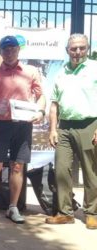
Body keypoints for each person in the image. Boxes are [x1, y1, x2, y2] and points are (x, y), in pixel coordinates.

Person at [0, 35, 45, 224]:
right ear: (0, 52)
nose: (9, 52)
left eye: (13, 49)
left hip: (23, 125)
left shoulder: (31, 71)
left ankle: (13, 208)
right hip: (1, 125)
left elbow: (41, 96)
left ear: (18, 50)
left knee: (17, 166)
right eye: (5, 49)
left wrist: (40, 111)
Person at [45, 34, 97, 230]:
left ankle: (92, 213)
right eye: (74, 48)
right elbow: (54, 104)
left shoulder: (94, 68)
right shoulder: (61, 72)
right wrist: (52, 129)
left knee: (91, 172)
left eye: (82, 48)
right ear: (67, 50)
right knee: (61, 170)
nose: (77, 52)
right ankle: (65, 213)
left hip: (90, 124)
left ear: (88, 49)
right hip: (64, 126)